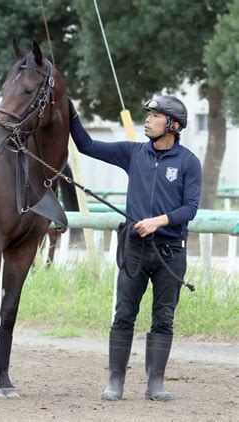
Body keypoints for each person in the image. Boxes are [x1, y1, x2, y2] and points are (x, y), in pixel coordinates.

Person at [69, 95, 201, 401]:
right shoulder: (133, 153)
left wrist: (157, 221)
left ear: (173, 125)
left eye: (156, 115)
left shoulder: (188, 163)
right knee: (123, 314)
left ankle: (155, 383)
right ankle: (116, 381)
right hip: (135, 250)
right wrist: (71, 112)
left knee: (163, 318)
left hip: (171, 253)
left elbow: (191, 208)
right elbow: (86, 146)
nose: (148, 119)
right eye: (149, 114)